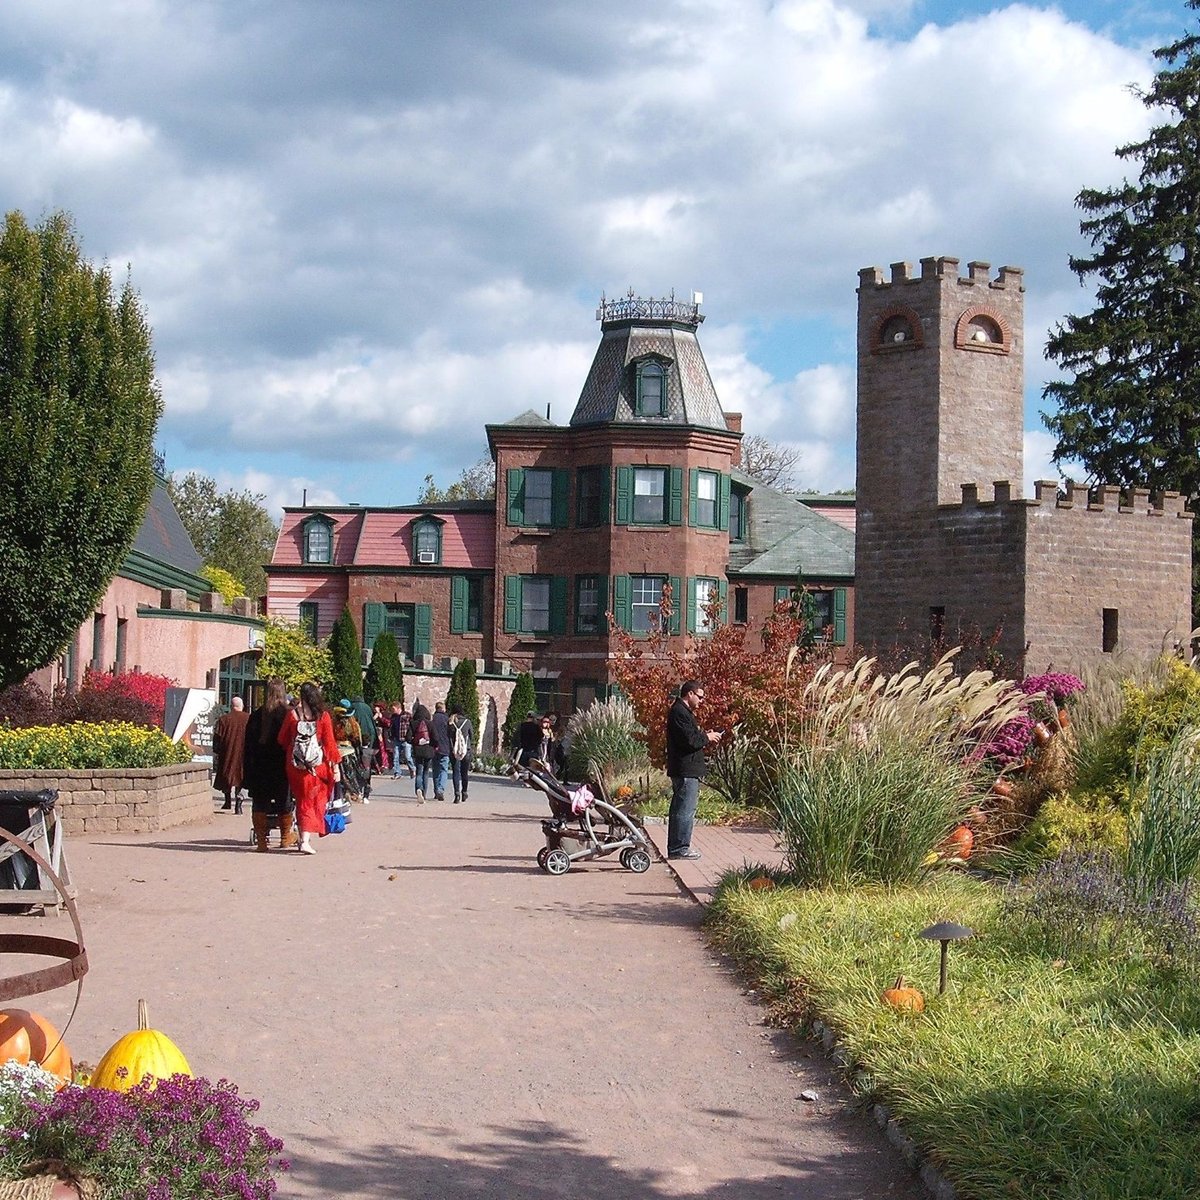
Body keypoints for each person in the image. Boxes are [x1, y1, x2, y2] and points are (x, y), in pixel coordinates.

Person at [278, 681, 341, 855]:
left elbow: (282, 739)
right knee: (314, 801)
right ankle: (305, 840)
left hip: (296, 765)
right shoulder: (323, 717)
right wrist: (335, 768)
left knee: (302, 800)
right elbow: (330, 744)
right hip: (317, 765)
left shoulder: (292, 715)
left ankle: (303, 836)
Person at [665, 679, 721, 861]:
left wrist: (703, 735)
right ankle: (680, 848)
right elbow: (689, 741)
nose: (701, 701)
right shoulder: (679, 712)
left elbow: (691, 737)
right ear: (690, 694)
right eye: (700, 697)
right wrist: (707, 737)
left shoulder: (683, 712)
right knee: (684, 810)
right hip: (685, 771)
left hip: (686, 769)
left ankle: (678, 847)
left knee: (682, 809)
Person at [242, 676, 296, 852]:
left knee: (260, 802)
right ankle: (285, 836)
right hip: (282, 767)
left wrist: (248, 770)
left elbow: (248, 745)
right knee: (284, 802)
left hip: (260, 766)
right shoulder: (289, 714)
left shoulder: (257, 715)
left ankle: (262, 841)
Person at [213, 696, 251, 814]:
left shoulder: (224, 719)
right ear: (242, 706)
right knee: (241, 778)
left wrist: (217, 751)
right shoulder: (249, 719)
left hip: (227, 753)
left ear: (231, 706)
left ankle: (227, 800)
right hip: (243, 755)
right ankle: (238, 805)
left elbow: (217, 738)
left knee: (226, 775)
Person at [348, 696, 377, 801]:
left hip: (357, 739)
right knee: (366, 765)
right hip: (369, 738)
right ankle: (366, 791)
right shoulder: (367, 707)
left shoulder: (352, 707)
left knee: (356, 765)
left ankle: (357, 790)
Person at [410, 702, 436, 803]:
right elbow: (435, 737)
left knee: (419, 770)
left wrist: (414, 742)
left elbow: (408, 737)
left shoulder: (413, 723)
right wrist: (433, 745)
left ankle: (418, 789)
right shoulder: (430, 723)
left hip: (418, 750)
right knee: (426, 772)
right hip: (428, 750)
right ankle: (424, 793)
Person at [448, 703, 474, 803]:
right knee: (464, 773)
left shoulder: (450, 722)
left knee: (456, 772)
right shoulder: (467, 722)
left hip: (454, 750)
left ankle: (457, 794)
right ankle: (464, 792)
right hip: (465, 750)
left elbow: (448, 736)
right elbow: (471, 736)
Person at [431, 701, 452, 801]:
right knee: (444, 770)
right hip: (445, 747)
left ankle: (436, 791)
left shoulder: (433, 718)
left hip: (434, 747)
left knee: (435, 770)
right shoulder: (447, 719)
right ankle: (440, 790)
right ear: (443, 708)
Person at [536, 713, 566, 780]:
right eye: (551, 720)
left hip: (556, 746)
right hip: (546, 746)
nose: (552, 721)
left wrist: (557, 738)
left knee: (558, 761)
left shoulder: (559, 727)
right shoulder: (543, 728)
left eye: (554, 720)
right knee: (545, 759)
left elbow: (562, 734)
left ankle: (556, 774)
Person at [390, 702, 414, 779]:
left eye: (393, 709)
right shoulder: (393, 717)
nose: (392, 710)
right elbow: (392, 727)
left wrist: (411, 736)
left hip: (405, 739)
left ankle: (412, 769)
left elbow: (412, 725)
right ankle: (397, 773)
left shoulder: (407, 715)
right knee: (396, 757)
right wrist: (391, 736)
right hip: (397, 739)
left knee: (408, 757)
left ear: (398, 708)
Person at [372, 703, 391, 774]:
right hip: (377, 734)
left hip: (384, 735)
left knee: (383, 749)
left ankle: (385, 764)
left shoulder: (385, 714)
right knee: (378, 749)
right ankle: (379, 765)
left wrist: (380, 716)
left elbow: (388, 723)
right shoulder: (375, 714)